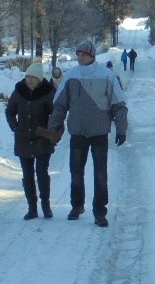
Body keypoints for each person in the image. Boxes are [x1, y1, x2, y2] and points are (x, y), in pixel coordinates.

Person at [47, 38, 127, 227]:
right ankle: (77, 205)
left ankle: (100, 212)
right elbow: (59, 105)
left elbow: (118, 104)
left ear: (91, 55)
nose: (79, 56)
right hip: (78, 132)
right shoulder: (70, 76)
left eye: (82, 53)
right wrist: (53, 127)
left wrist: (121, 129)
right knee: (76, 172)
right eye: (77, 53)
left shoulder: (107, 76)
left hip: (99, 132)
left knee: (100, 174)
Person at [6, 61, 56, 220]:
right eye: (27, 76)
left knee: (42, 173)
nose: (29, 80)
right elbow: (10, 112)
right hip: (23, 139)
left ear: (40, 79)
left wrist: (50, 133)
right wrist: (15, 127)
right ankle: (32, 208)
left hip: (42, 139)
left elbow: (55, 116)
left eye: (33, 77)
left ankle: (46, 206)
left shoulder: (48, 92)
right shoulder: (19, 91)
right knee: (27, 175)